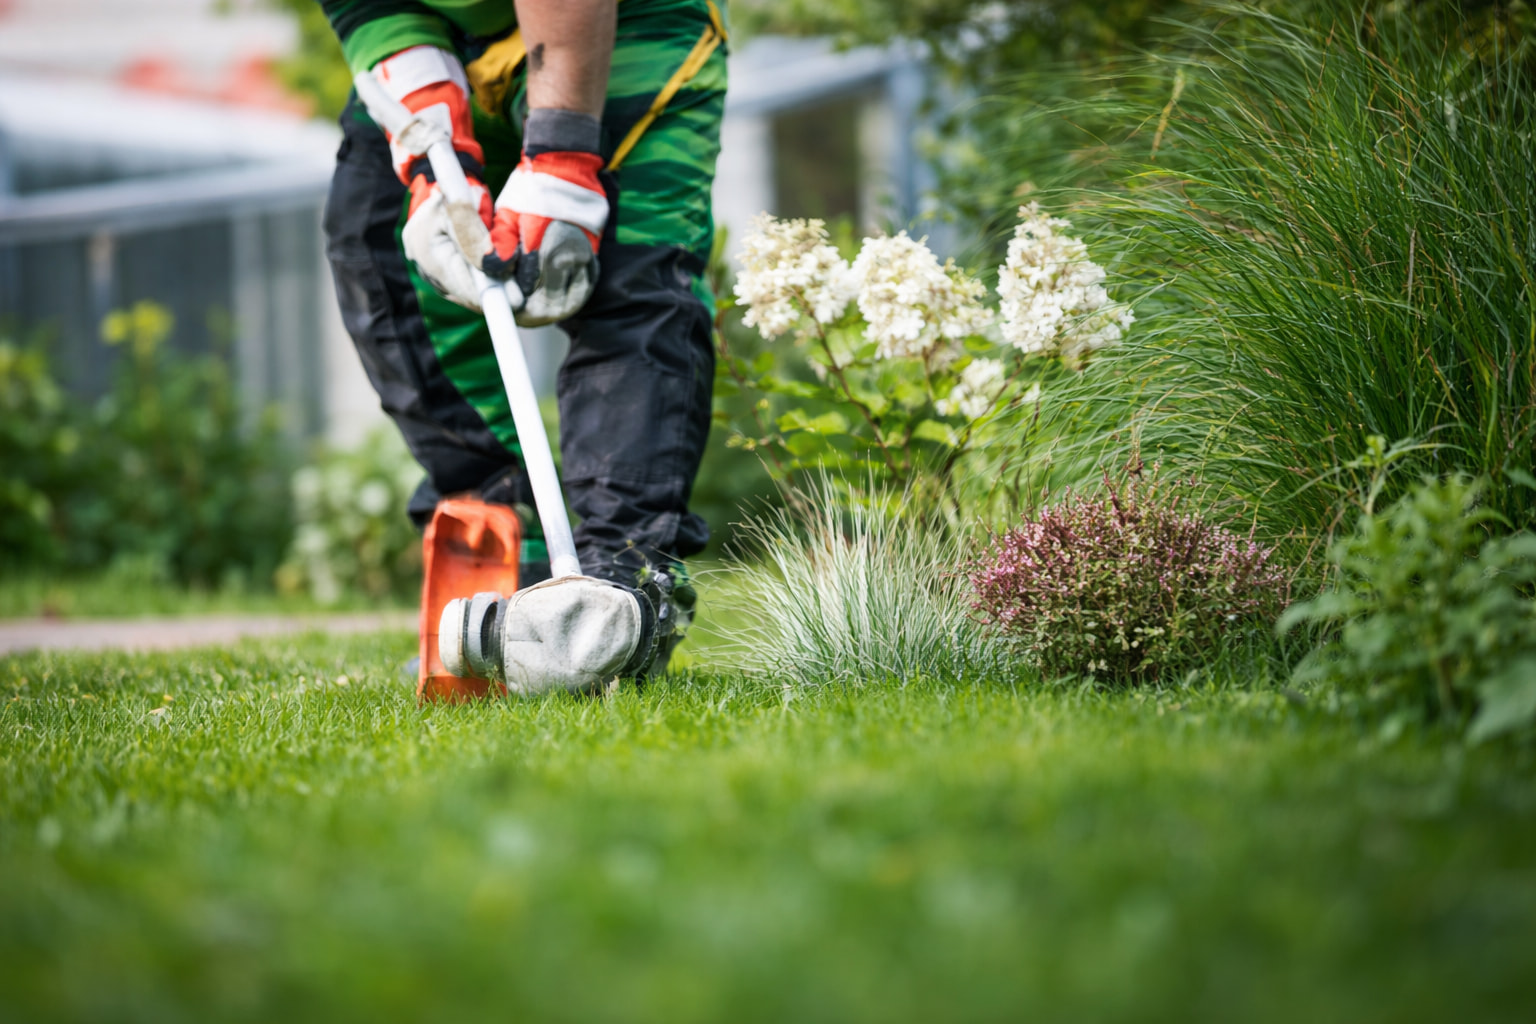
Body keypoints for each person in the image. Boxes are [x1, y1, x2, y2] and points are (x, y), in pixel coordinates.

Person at [317, 0, 728, 683]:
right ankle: (508, 537)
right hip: (448, 30)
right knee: (379, 250)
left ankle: (622, 581)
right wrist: (427, 146)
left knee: (636, 290)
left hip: (632, 19)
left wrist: (564, 154)